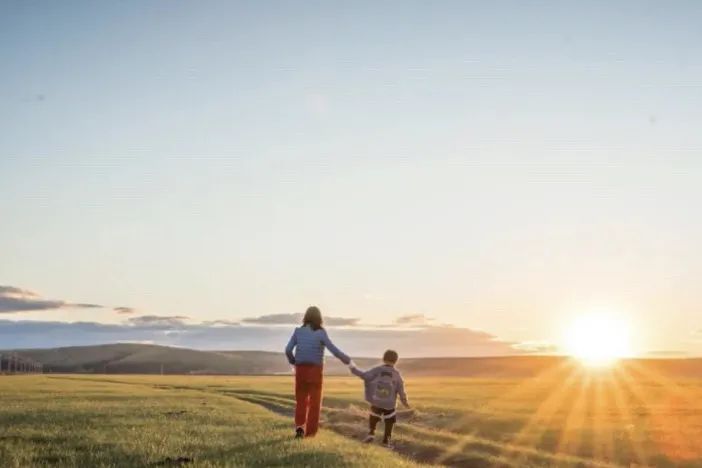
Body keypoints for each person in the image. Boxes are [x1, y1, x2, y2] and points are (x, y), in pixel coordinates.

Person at [285, 306, 351, 438]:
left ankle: (299, 427)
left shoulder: (298, 331)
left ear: (306, 317)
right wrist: (346, 359)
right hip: (315, 370)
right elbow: (333, 349)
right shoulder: (321, 332)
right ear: (319, 318)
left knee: (301, 400)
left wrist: (294, 361)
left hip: (301, 369)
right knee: (315, 402)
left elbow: (288, 349)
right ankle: (310, 433)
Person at [349, 349, 410, 448]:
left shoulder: (377, 370)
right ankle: (386, 441)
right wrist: (405, 403)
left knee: (374, 414)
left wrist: (353, 369)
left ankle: (371, 433)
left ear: (383, 359)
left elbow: (364, 376)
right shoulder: (396, 374)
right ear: (396, 361)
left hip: (377, 400)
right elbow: (401, 390)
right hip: (389, 404)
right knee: (390, 421)